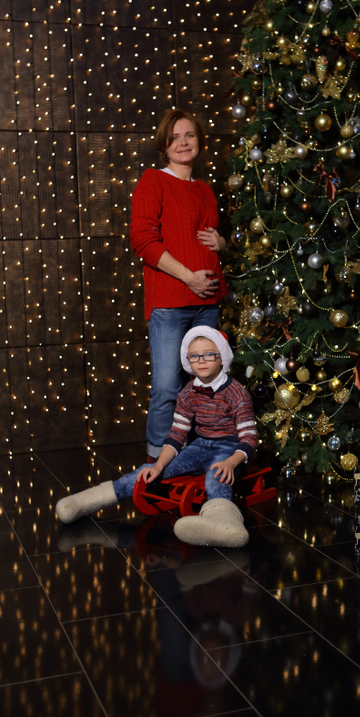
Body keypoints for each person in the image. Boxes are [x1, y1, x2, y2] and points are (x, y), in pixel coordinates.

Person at [55, 327, 258, 548]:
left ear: (222, 358)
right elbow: (177, 434)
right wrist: (159, 466)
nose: (201, 360)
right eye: (194, 356)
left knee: (216, 476)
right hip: (200, 446)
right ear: (188, 361)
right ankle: (86, 502)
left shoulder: (237, 393)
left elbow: (249, 438)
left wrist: (231, 462)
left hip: (230, 448)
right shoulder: (188, 393)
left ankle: (227, 526)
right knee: (150, 470)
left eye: (209, 354)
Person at [129, 109, 227, 462]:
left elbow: (205, 238)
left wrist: (222, 243)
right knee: (167, 387)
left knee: (203, 386)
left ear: (199, 141)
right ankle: (158, 464)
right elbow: (142, 240)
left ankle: (196, 456)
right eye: (174, 138)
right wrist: (188, 277)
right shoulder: (153, 181)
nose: (183, 143)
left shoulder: (205, 190)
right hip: (171, 304)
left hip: (208, 303)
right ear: (164, 145)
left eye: (189, 135)